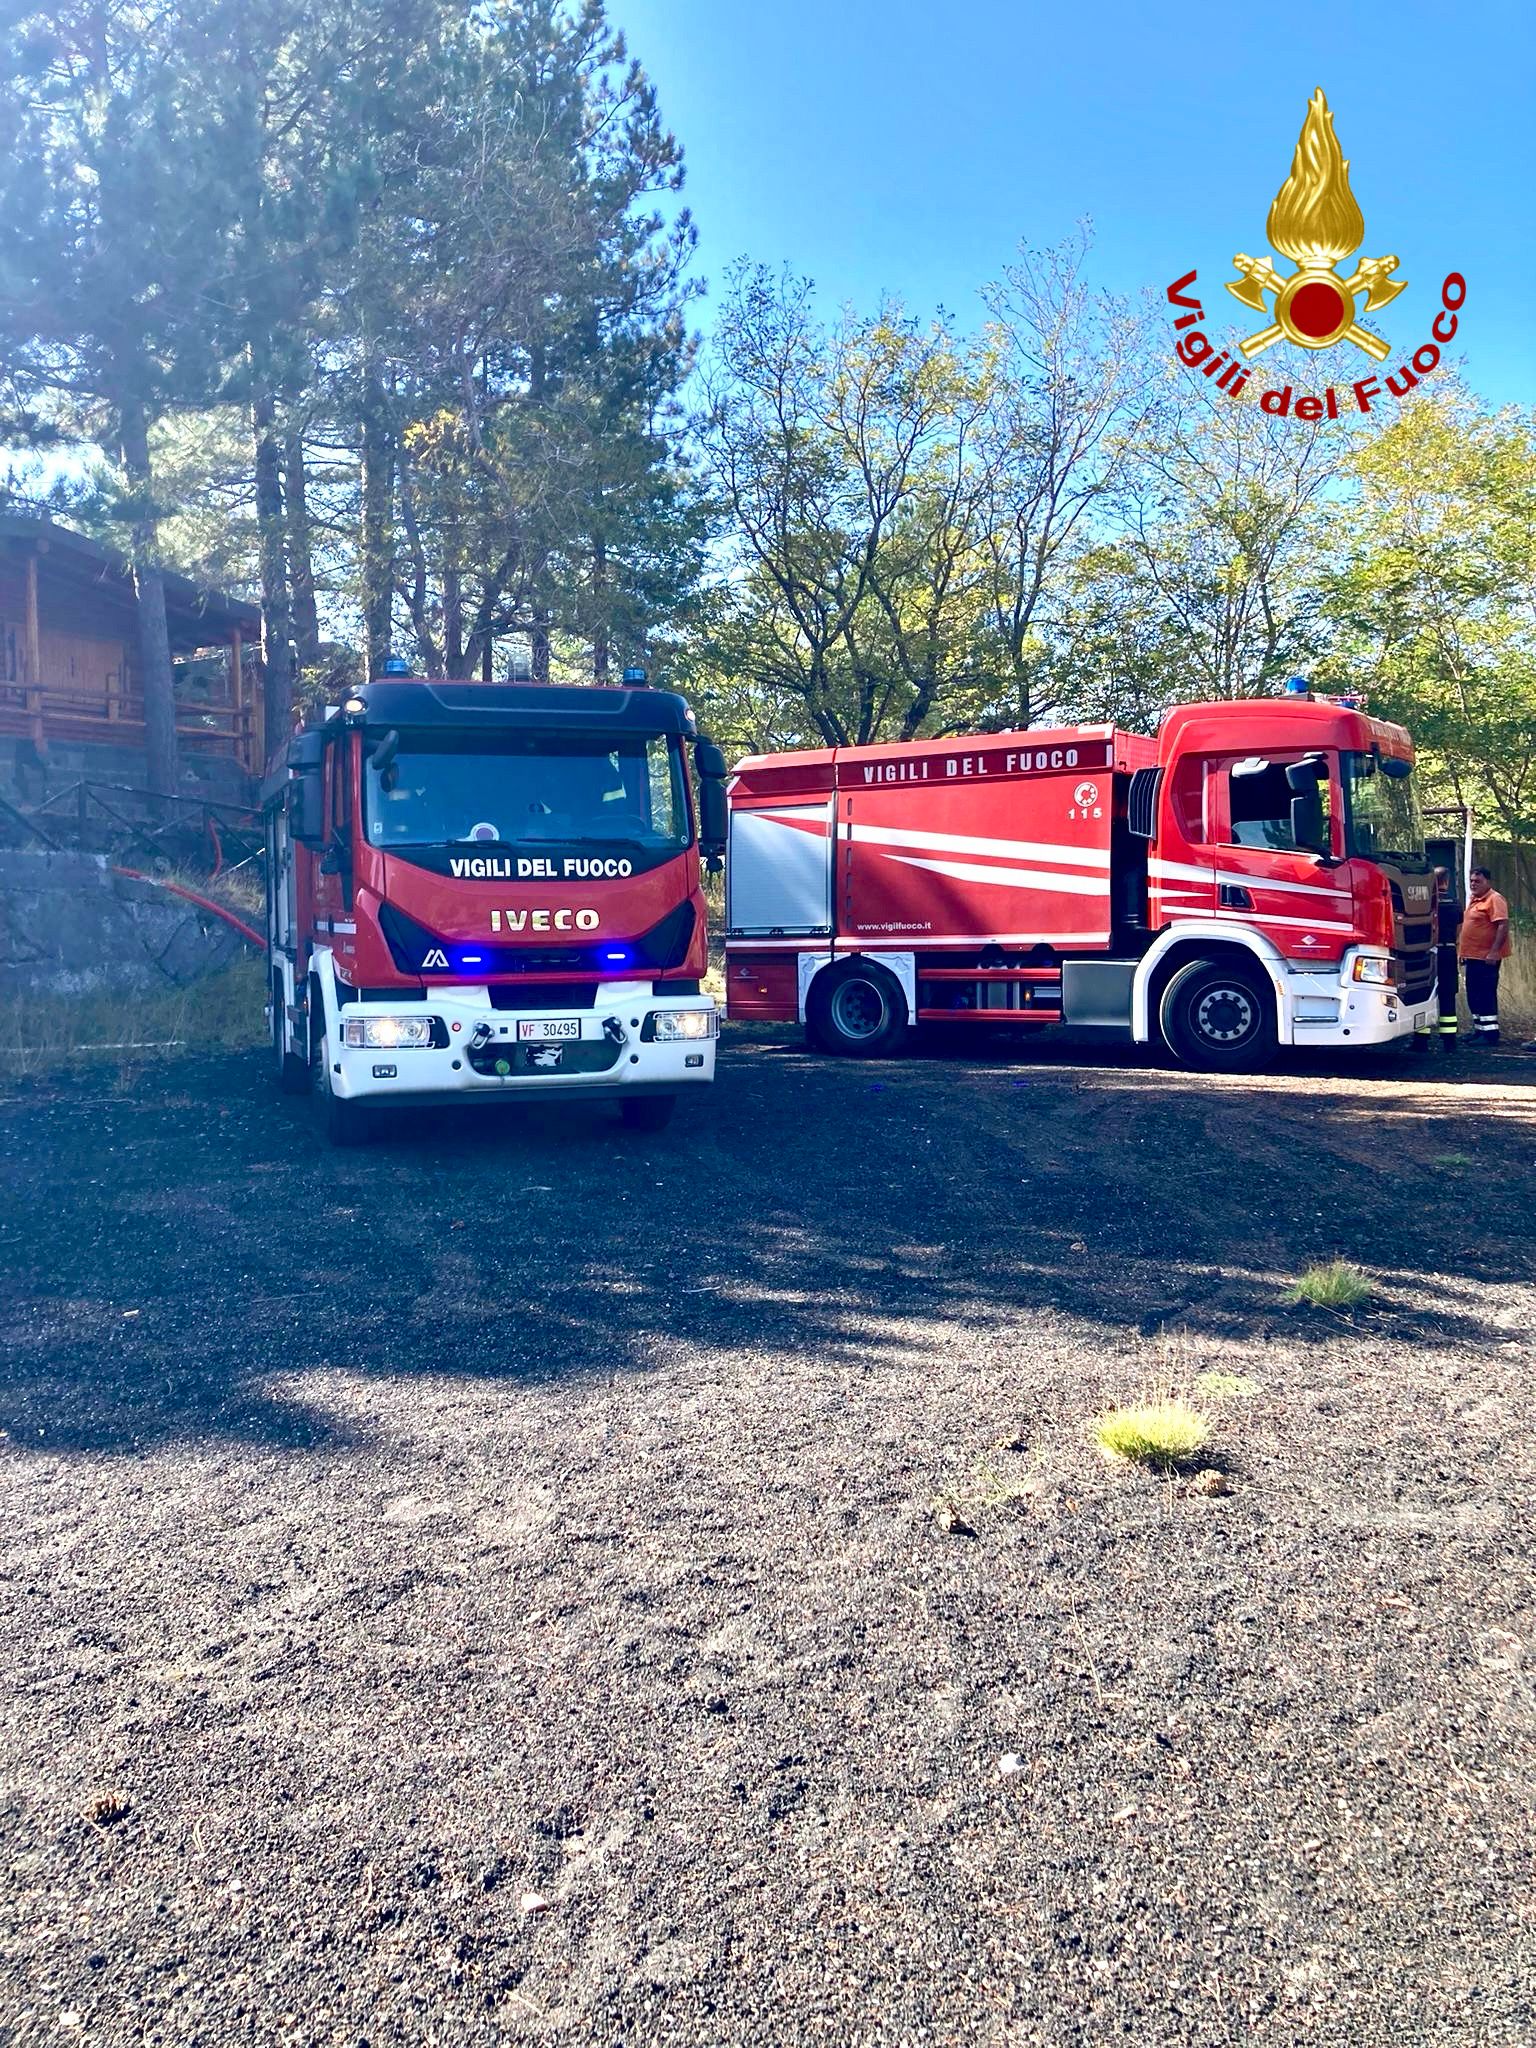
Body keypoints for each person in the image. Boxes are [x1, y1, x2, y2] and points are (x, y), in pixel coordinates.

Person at [1458, 866, 1510, 1046]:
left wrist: (1494, 951)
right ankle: (1479, 1029)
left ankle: (1490, 1035)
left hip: (1487, 958)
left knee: (1485, 994)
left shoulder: (1494, 899)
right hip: (1472, 957)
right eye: (1472, 881)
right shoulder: (1474, 900)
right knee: (1473, 994)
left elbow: (1503, 925)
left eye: (1477, 881)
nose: (1473, 884)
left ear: (1488, 882)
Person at [1432, 866, 1462, 1049]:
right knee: (1448, 994)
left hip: (1430, 952)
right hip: (1449, 951)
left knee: (1425, 994)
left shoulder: (1427, 902)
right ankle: (1449, 1040)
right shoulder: (1455, 903)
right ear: (1447, 881)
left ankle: (1421, 1040)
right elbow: (1460, 929)